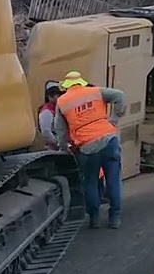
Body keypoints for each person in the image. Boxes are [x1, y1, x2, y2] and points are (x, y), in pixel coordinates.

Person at [52, 71, 126, 229]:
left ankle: (95, 218)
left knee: (90, 182)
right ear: (81, 82)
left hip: (86, 146)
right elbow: (120, 95)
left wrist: (64, 147)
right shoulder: (96, 91)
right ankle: (115, 217)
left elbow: (60, 129)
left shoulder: (62, 101)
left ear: (66, 86)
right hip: (109, 140)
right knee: (113, 180)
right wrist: (113, 119)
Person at [37, 82, 62, 150]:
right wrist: (57, 143)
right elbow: (46, 132)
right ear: (50, 97)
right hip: (54, 148)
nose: (60, 98)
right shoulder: (46, 111)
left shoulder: (57, 108)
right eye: (58, 96)